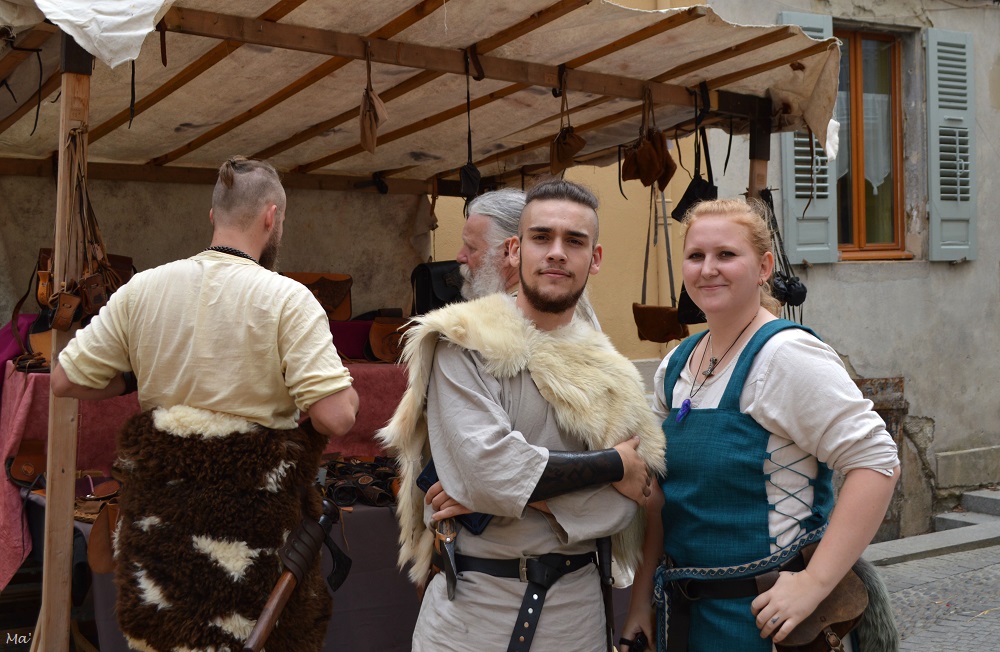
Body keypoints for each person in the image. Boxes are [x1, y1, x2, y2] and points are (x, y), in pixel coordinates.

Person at [52, 156, 359, 652]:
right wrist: (346, 392)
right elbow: (335, 417)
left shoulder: (142, 289)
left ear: (213, 216)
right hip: (250, 545)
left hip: (160, 542)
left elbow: (65, 378)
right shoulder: (288, 299)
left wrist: (134, 378)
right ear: (272, 217)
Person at [379, 179, 665, 652]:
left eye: (574, 241)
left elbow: (628, 504)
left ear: (594, 258)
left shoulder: (613, 372)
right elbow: (486, 471)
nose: (556, 253)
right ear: (515, 250)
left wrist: (499, 493)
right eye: (541, 237)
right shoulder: (463, 342)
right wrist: (611, 466)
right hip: (471, 618)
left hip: (576, 622)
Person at [619, 197, 900, 652]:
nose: (708, 269)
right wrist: (640, 602)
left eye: (726, 254)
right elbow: (658, 500)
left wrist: (812, 583)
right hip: (685, 620)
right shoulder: (676, 365)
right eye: (696, 255)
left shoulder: (785, 356)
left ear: (764, 267)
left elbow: (877, 462)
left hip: (768, 625)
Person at [458, 186, 601, 328]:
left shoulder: (482, 329)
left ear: (510, 251)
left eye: (472, 248)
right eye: (541, 238)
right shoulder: (573, 311)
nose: (460, 257)